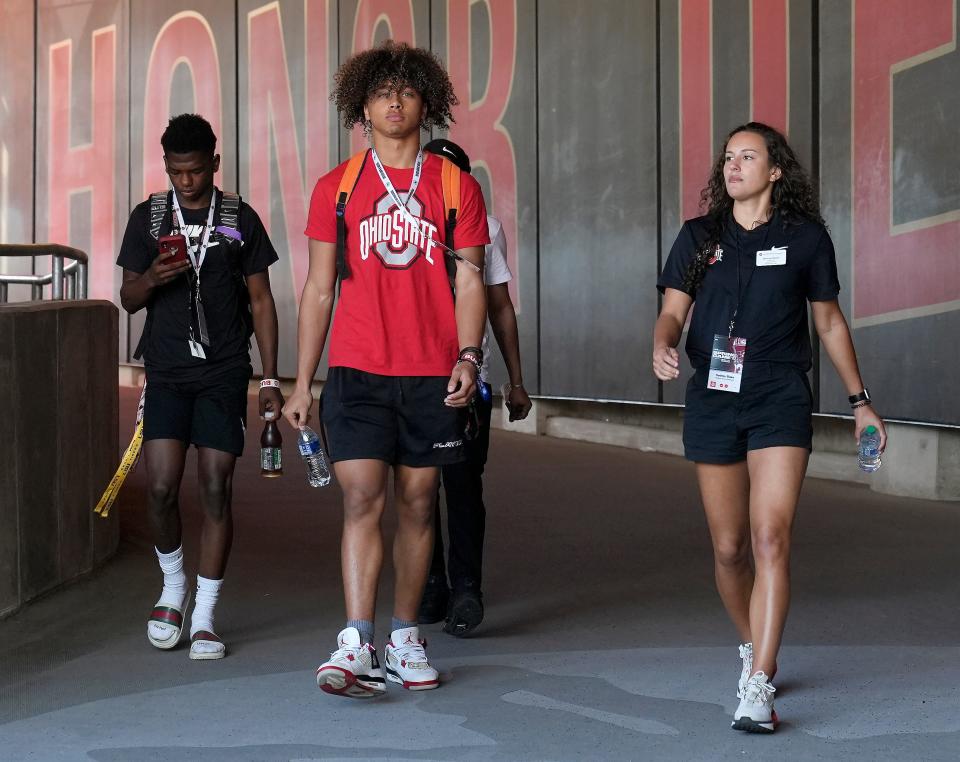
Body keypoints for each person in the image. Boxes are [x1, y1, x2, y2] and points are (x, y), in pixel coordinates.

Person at [652, 122, 886, 733]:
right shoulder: (700, 237)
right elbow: (672, 310)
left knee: (769, 538)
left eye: (747, 156)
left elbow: (829, 323)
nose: (733, 165)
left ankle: (759, 680)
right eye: (728, 157)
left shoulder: (805, 239)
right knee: (729, 549)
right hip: (712, 396)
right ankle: (752, 644)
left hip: (779, 394)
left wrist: (861, 401)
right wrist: (662, 344)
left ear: (775, 170)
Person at [283, 41, 489, 698]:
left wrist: (468, 353)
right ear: (362, 106)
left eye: (405, 91)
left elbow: (472, 280)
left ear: (426, 102)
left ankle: (404, 635)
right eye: (381, 92)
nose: (393, 102)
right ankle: (355, 639)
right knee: (361, 496)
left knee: (421, 502)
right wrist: (301, 379)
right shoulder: (337, 188)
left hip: (432, 373)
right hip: (357, 370)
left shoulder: (456, 185)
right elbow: (318, 290)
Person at [117, 113, 283, 660]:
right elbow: (128, 298)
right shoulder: (149, 217)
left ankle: (206, 615)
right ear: (165, 167)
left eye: (194, 171)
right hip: (166, 371)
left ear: (214, 163)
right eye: (175, 171)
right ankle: (172, 586)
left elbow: (261, 299)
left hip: (223, 370)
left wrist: (270, 379)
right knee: (161, 486)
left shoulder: (238, 218)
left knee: (216, 486)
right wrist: (151, 278)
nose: (185, 181)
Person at [417, 138, 532, 637]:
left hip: (471, 379)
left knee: (463, 486)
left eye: (453, 175)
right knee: (417, 489)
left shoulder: (485, 227)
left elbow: (500, 306)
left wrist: (518, 380)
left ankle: (466, 588)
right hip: (414, 378)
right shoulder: (403, 225)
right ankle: (431, 583)